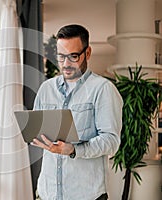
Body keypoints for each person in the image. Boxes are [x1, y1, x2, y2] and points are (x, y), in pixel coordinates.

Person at [32, 24, 123, 200]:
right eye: (60, 56)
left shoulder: (103, 89)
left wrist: (74, 150)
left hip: (86, 195)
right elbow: (37, 132)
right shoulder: (46, 89)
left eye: (73, 56)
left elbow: (111, 141)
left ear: (87, 53)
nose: (66, 64)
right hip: (47, 193)